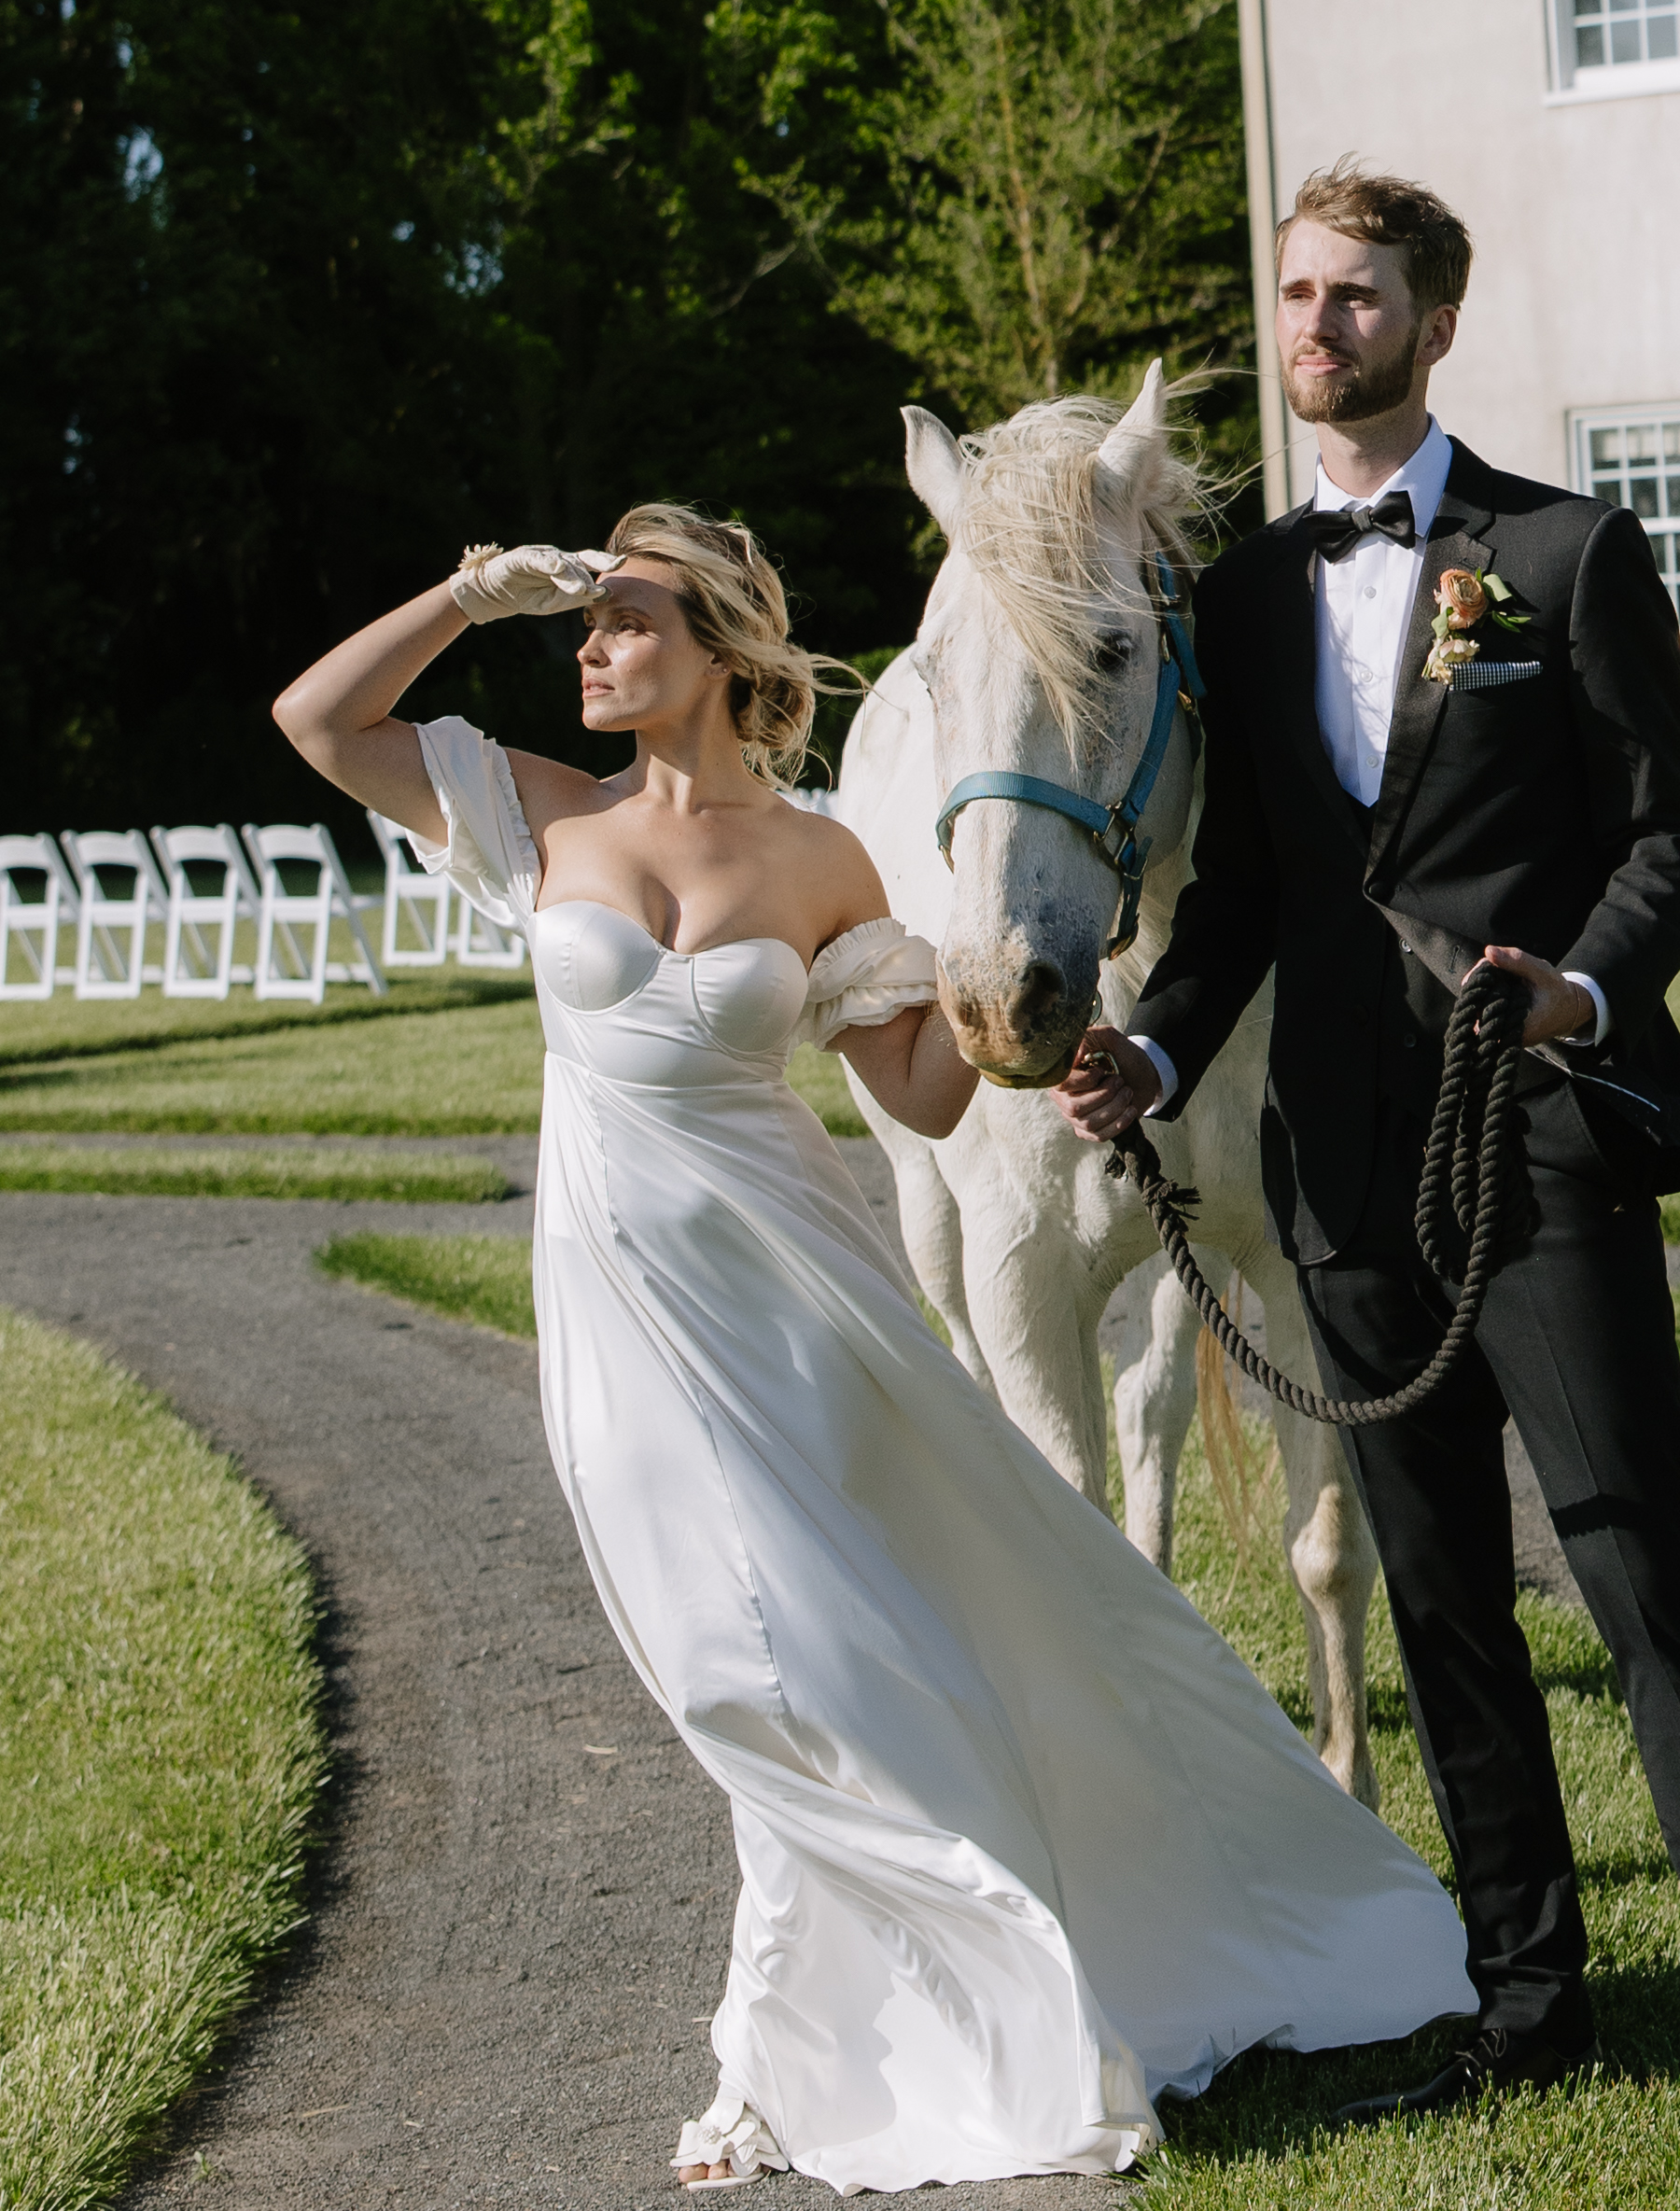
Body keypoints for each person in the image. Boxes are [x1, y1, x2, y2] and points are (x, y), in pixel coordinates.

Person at [274, 502, 1475, 2193]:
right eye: (586, 624)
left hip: (800, 1303)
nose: (593, 646)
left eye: (626, 619)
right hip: (623, 1310)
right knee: (724, 1663)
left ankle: (796, 2043)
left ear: (720, 650)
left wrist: (1041, 1039)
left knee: (823, 1651)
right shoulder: (536, 809)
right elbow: (318, 723)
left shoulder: (830, 864)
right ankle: (928, 1971)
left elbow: (920, 1089)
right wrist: (474, 594)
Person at [1057, 159, 1680, 2125]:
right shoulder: (1238, 601)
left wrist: (1579, 988)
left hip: (1546, 1140)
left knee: (1641, 1570)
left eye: (1357, 299)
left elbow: (1669, 827)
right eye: (1298, 294)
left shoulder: (1568, 555)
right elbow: (1243, 883)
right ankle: (1527, 1998)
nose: (1317, 329)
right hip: (1340, 1170)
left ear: (1431, 320)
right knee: (1442, 1603)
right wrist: (1155, 1059)